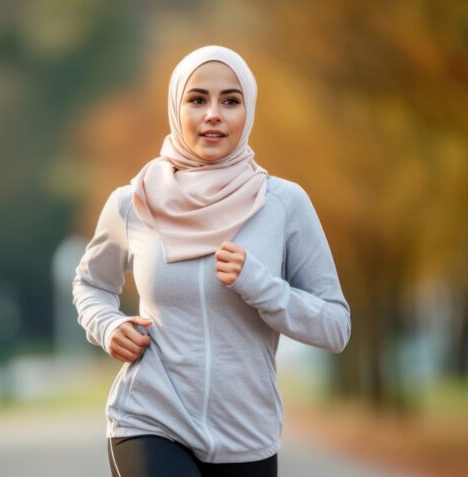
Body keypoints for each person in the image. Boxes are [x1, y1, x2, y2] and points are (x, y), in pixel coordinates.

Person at [71, 45, 351, 477]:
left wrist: (262, 286)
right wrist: (108, 326)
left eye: (231, 101)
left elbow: (334, 327)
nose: (214, 114)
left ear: (248, 110)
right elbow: (91, 284)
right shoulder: (133, 203)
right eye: (198, 99)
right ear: (176, 107)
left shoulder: (283, 204)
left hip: (246, 437)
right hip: (149, 419)